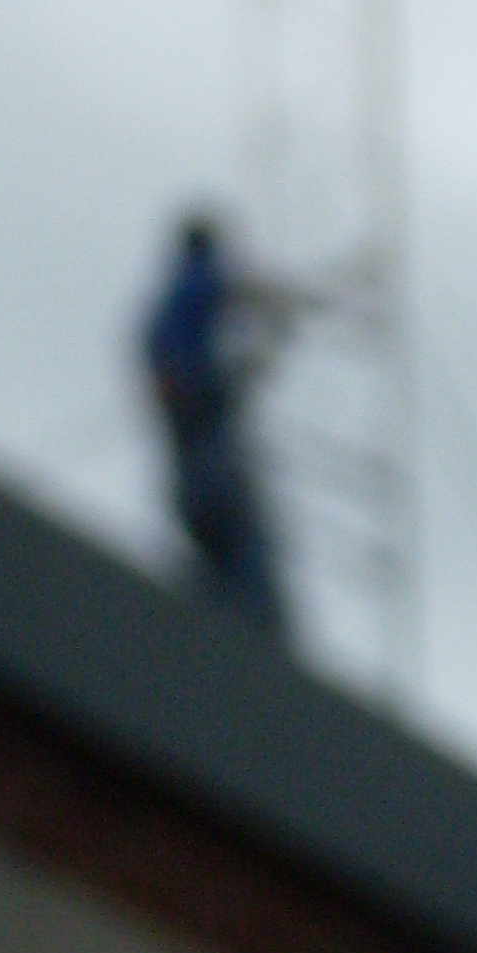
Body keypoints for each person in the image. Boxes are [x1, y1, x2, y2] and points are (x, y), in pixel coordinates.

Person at [138, 211, 319, 640]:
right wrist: (279, 300)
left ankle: (226, 606)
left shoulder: (172, 303)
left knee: (210, 510)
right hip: (200, 413)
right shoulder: (196, 281)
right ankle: (246, 619)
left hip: (197, 415)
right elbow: (230, 292)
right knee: (225, 515)